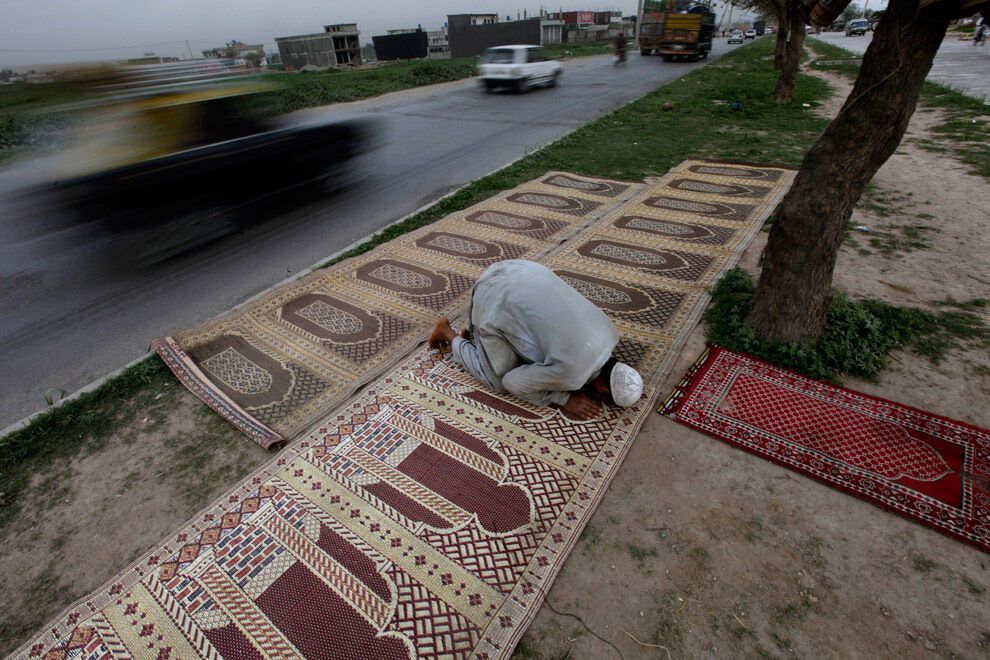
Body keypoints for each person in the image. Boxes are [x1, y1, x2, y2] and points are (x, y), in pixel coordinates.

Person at [428, 260, 644, 420]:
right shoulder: (574, 376)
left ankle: (475, 331)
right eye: (601, 399)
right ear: (603, 389)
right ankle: (448, 333)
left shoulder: (611, 334)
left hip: (519, 268)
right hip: (492, 294)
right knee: (497, 379)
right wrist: (564, 399)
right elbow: (512, 382)